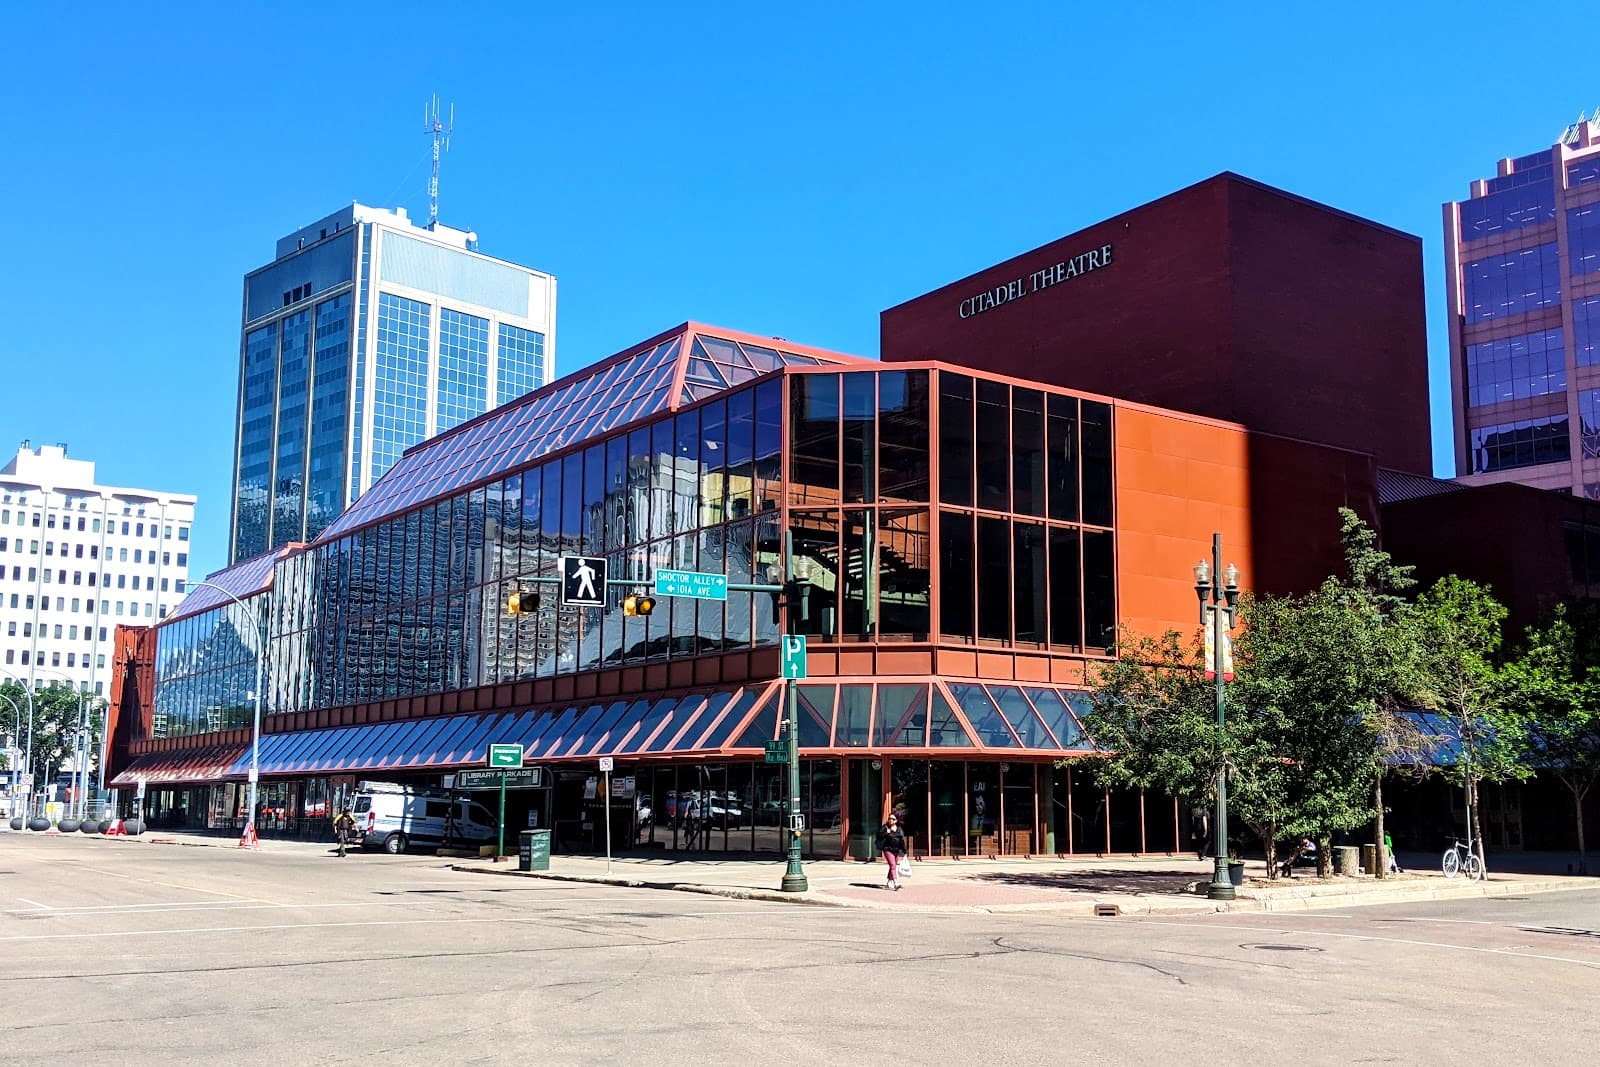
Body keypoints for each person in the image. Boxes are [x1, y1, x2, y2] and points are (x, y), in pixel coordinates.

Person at [876, 813, 908, 891]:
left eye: (893, 819)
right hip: (887, 849)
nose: (890, 820)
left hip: (896, 850)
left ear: (896, 820)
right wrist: (887, 832)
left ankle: (889, 882)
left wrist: (904, 850)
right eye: (889, 818)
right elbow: (878, 836)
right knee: (893, 865)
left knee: (893, 866)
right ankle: (895, 882)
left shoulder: (899, 829)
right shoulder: (885, 827)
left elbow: (901, 840)